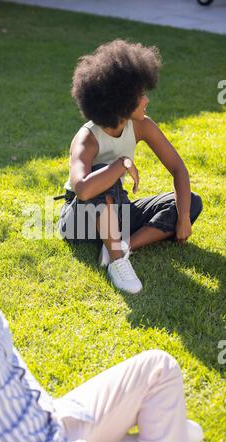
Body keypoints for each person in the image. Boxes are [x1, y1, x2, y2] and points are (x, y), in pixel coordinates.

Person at [0, 193, 204, 442]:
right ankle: (163, 435)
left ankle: (162, 436)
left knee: (159, 368)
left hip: (53, 420)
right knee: (174, 430)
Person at [57, 39, 203, 294]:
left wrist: (182, 218)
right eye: (139, 94)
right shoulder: (87, 137)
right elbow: (82, 190)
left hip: (117, 209)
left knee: (189, 201)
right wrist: (122, 163)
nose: (146, 99)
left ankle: (123, 246)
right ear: (121, 101)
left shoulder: (142, 125)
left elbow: (178, 168)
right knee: (103, 175)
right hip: (79, 221)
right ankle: (117, 263)